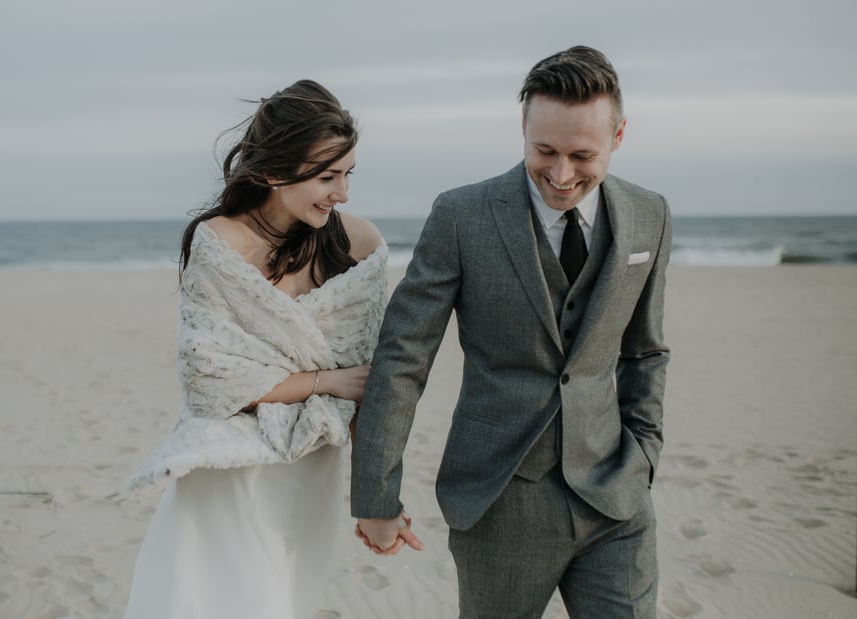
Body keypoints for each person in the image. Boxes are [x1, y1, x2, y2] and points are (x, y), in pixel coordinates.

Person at [351, 46, 672, 618]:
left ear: (619, 136)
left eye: (582, 155)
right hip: (498, 500)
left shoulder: (650, 214)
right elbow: (404, 357)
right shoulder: (461, 215)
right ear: (522, 127)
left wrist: (644, 453)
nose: (561, 174)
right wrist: (376, 494)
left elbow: (645, 349)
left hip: (615, 496)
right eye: (544, 150)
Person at [123, 79, 387, 619]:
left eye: (348, 174)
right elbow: (210, 382)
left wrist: (378, 497)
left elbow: (374, 379)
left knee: (289, 599)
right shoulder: (220, 241)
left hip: (310, 470)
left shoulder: (360, 244)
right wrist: (324, 381)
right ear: (271, 172)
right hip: (229, 469)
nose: (342, 193)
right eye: (326, 176)